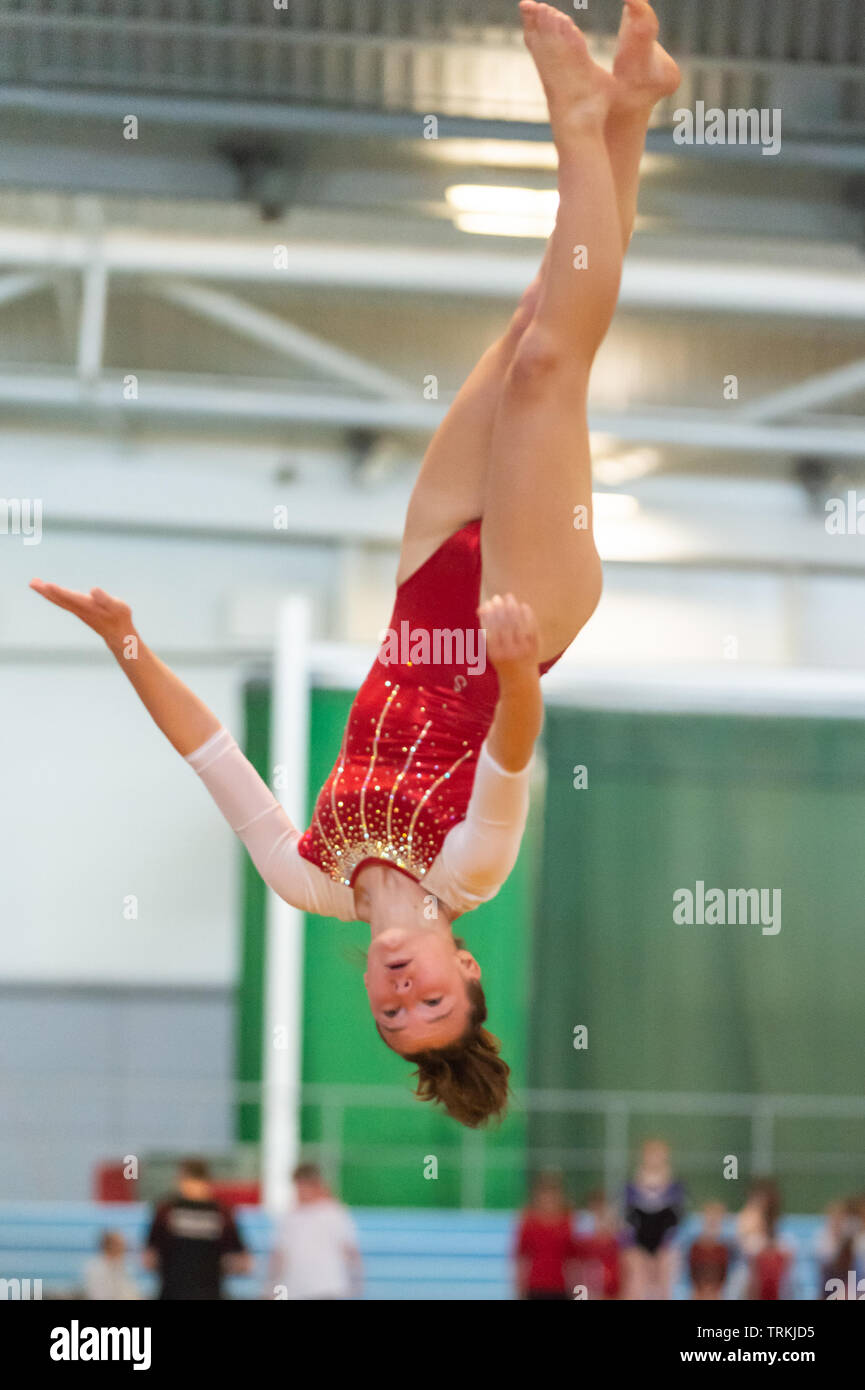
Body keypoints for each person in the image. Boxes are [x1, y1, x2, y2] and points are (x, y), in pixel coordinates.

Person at [29, 1, 680, 1127]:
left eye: (393, 1018)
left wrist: (128, 643)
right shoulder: (470, 873)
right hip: (517, 617)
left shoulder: (309, 878)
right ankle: (579, 120)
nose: (400, 994)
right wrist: (518, 665)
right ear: (464, 966)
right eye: (431, 1000)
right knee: (546, 374)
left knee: (534, 318)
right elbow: (512, 752)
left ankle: (630, 105)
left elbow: (213, 755)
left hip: (427, 579)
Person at [143, 1157, 252, 1301]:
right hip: (210, 1293)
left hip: (172, 1292)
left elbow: (148, 1260)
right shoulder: (222, 1212)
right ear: (207, 1181)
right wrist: (213, 1267)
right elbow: (243, 1264)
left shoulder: (166, 1210)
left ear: (182, 1178)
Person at [268, 1164, 362, 1301]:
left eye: (302, 1186)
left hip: (327, 1287)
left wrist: (355, 1281)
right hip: (297, 1289)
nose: (299, 1191)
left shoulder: (334, 1214)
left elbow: (350, 1250)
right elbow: (280, 1255)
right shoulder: (291, 1217)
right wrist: (272, 1287)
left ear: (315, 1185)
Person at [622, 1139, 685, 1300]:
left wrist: (664, 1247)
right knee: (635, 1286)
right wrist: (634, 1248)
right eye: (651, 1154)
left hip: (665, 1244)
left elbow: (676, 1220)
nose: (655, 1158)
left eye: (659, 1154)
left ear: (666, 1156)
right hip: (638, 1243)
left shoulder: (675, 1187)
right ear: (643, 1156)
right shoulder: (631, 1187)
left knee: (665, 1287)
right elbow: (627, 1221)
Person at [514, 1171, 582, 1300]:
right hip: (535, 1287)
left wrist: (577, 1289)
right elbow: (521, 1259)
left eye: (553, 1195)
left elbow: (574, 1261)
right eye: (545, 1195)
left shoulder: (567, 1222)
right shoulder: (529, 1222)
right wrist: (519, 1289)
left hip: (560, 1287)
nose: (549, 1199)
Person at [82, 1230, 142, 1301]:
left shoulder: (121, 1266)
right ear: (110, 1247)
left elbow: (132, 1293)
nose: (124, 1250)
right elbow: (100, 1296)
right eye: (121, 1246)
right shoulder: (95, 1268)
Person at [688, 1202, 730, 1300]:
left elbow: (723, 1274)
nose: (712, 1226)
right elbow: (693, 1272)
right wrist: (701, 1289)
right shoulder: (696, 1247)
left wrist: (713, 1290)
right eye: (710, 1222)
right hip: (698, 1288)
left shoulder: (722, 1249)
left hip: (716, 1289)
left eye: (716, 1223)